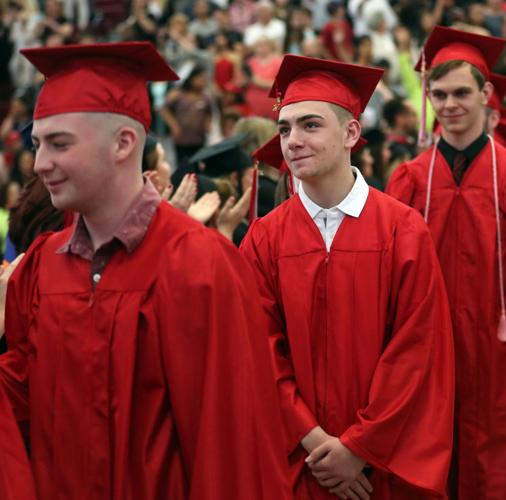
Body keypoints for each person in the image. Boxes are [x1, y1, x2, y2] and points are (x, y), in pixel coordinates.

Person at [0, 41, 291, 499]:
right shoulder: (41, 268)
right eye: (37, 145)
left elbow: (233, 450)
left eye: (59, 144)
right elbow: (17, 407)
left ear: (123, 143)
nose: (40, 164)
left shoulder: (200, 264)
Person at [241, 54, 455, 499]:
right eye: (285, 129)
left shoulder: (402, 228)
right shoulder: (264, 239)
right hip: (300, 462)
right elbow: (258, 350)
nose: (293, 141)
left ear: (351, 133)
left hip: (382, 468)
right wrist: (316, 441)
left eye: (310, 125)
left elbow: (417, 349)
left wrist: (359, 447)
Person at [387, 26, 506, 500]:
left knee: (499, 477)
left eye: (462, 92)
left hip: (500, 362)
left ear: (487, 94)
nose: (450, 104)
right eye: (440, 94)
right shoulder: (408, 181)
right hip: (428, 361)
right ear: (427, 96)